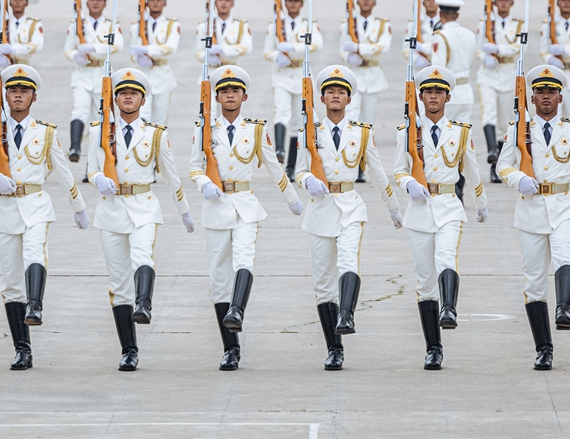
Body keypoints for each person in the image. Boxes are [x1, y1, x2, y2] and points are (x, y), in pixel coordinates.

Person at [188, 66, 303, 371]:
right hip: (215, 206)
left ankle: (237, 310)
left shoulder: (254, 129)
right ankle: (231, 348)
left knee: (244, 259)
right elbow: (194, 166)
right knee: (217, 281)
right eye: (224, 91)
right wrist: (204, 184)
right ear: (217, 96)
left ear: (244, 96)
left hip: (245, 205)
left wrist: (292, 200)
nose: (229, 95)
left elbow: (274, 167)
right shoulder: (204, 127)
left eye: (235, 91)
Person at [0, 65, 89, 370]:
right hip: (4, 209)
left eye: (23, 91)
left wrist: (77, 205)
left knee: (35, 251)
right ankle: (22, 348)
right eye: (13, 91)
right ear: (5, 95)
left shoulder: (46, 132)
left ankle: (36, 304)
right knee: (12, 284)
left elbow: (63, 170)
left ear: (33, 96)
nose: (18, 96)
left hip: (36, 203)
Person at [86, 68, 195, 371]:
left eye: (134, 93)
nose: (128, 97)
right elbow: (91, 167)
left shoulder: (155, 133)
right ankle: (129, 349)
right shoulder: (100, 130)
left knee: (142, 254)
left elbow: (171, 175)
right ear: (115, 99)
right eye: (122, 93)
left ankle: (144, 303)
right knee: (119, 284)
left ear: (143, 100)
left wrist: (183, 210)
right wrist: (97, 180)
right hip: (110, 209)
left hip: (144, 205)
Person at [295, 66, 401, 371]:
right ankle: (334, 348)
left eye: (341, 92)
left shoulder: (361, 132)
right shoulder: (309, 131)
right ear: (323, 98)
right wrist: (306, 181)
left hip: (350, 206)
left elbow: (377, 172)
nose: (336, 96)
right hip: (319, 209)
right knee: (323, 284)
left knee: (347, 263)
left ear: (349, 98)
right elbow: (299, 170)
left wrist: (392, 206)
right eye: (330, 92)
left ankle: (347, 314)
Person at [496, 65, 570, 371]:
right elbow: (503, 166)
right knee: (534, 281)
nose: (546, 98)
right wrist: (517, 179)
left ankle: (564, 308)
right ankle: (544, 348)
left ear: (560, 97)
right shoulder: (518, 130)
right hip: (531, 208)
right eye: (540, 92)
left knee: (565, 254)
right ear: (532, 97)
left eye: (551, 92)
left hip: (564, 204)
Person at [393, 65, 486, 371]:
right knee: (423, 280)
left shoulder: (461, 131)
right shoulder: (408, 132)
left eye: (438, 92)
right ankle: (433, 348)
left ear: (448, 96)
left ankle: (449, 309)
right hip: (419, 210)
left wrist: (480, 201)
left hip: (448, 205)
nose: (433, 97)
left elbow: (471, 169)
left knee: (446, 257)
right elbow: (398, 169)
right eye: (428, 92)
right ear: (420, 96)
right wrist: (407, 183)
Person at [263, 0, 324, 180]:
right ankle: (279, 149)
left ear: (302, 4)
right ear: (284, 3)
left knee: (299, 121)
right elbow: (267, 50)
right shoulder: (275, 25)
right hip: (281, 73)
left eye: (296, 1)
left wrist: (291, 49)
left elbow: (316, 44)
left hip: (301, 73)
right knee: (282, 111)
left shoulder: (309, 25)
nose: (292, 4)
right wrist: (276, 56)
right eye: (289, 0)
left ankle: (291, 167)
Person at [65, 0, 123, 163]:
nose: (95, 2)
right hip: (82, 74)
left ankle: (94, 162)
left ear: (105, 4)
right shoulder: (76, 24)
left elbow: (117, 45)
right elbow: (68, 50)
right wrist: (76, 56)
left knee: (99, 119)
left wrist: (93, 49)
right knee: (79, 111)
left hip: (102, 75)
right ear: (86, 2)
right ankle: (75, 147)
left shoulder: (111, 25)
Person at [342, 0, 392, 179]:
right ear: (357, 0)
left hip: (372, 77)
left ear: (375, 2)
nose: (365, 1)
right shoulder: (348, 23)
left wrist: (359, 49)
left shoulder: (382, 24)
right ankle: (351, 163)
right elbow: (342, 48)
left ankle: (362, 165)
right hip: (353, 77)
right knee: (351, 120)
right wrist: (348, 56)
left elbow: (383, 47)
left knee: (367, 124)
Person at [476, 0, 524, 183]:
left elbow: (519, 46)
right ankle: (491, 151)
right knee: (489, 112)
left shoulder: (519, 25)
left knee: (505, 122)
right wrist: (484, 57)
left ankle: (498, 166)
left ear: (512, 2)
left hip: (508, 72)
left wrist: (498, 51)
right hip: (488, 73)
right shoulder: (485, 24)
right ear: (494, 2)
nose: (503, 3)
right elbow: (478, 47)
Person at [129, 0, 181, 126]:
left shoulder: (172, 25)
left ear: (165, 3)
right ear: (146, 3)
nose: (156, 2)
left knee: (160, 121)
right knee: (142, 118)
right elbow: (133, 52)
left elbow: (171, 47)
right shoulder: (137, 26)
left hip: (162, 76)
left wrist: (147, 50)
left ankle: (157, 149)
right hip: (143, 75)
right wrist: (139, 58)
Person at [429, 0, 475, 124]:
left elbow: (438, 69)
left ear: (440, 14)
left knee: (442, 133)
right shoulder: (470, 34)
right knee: (464, 135)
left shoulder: (440, 36)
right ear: (457, 14)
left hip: (449, 93)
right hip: (466, 92)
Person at [194, 0, 253, 68]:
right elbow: (198, 52)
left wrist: (222, 49)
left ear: (233, 3)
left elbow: (247, 48)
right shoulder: (204, 26)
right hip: (210, 72)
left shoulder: (241, 26)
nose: (223, 3)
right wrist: (207, 57)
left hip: (231, 71)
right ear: (214, 2)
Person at [0, 0, 44, 67]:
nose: (17, 2)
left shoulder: (34, 24)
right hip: (4, 68)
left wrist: (13, 49)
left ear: (27, 3)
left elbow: (37, 45)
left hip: (24, 68)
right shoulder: (0, 23)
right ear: (9, 3)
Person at [402, 0, 445, 69]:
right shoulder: (414, 24)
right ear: (422, 3)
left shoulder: (444, 24)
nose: (431, 2)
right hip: (420, 70)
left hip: (440, 68)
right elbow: (406, 50)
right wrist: (416, 59)